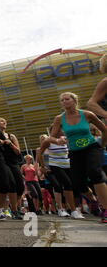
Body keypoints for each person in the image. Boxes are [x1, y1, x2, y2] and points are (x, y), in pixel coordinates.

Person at [49, 92, 107, 223]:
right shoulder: (59, 118)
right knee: (77, 183)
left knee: (94, 173)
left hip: (91, 148)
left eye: (67, 99)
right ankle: (94, 201)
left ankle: (106, 209)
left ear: (74, 100)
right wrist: (58, 141)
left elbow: (104, 130)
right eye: (62, 100)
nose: (64, 101)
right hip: (75, 152)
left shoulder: (87, 114)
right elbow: (51, 137)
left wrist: (102, 145)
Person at [36, 129, 81, 218]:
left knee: (66, 185)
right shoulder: (44, 146)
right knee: (57, 186)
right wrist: (42, 168)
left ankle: (68, 207)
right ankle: (61, 208)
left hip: (63, 166)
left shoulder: (62, 140)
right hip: (50, 168)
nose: (44, 139)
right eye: (42, 139)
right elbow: (39, 158)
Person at [0, 118, 24, 219]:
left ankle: (13, 206)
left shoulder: (11, 136)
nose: (4, 122)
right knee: (12, 184)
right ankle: (14, 210)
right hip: (2, 162)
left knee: (20, 186)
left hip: (13, 162)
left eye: (5, 121)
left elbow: (18, 152)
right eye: (1, 121)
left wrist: (10, 143)